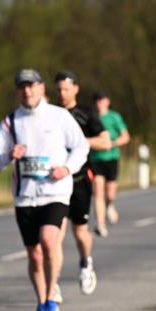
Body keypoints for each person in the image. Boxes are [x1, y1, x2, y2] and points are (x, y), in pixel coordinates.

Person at [0, 69, 89, 311]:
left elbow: (81, 146)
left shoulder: (59, 116)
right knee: (34, 255)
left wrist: (66, 168)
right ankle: (42, 302)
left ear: (42, 88)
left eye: (31, 86)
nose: (27, 91)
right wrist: (9, 155)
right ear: (17, 91)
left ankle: (52, 298)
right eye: (22, 87)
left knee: (48, 240)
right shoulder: (12, 121)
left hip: (55, 191)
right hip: (25, 196)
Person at [52, 71, 110, 297]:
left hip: (79, 181)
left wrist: (79, 143)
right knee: (55, 235)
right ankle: (53, 282)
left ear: (76, 89)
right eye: (59, 89)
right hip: (56, 183)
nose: (62, 93)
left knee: (80, 232)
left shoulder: (86, 113)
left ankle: (86, 262)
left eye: (66, 89)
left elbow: (105, 142)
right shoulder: (51, 113)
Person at [90, 91, 130, 237]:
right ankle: (100, 224)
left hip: (111, 158)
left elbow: (125, 137)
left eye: (102, 99)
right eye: (97, 100)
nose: (99, 103)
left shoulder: (114, 117)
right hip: (95, 158)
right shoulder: (92, 117)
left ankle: (110, 204)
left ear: (107, 101)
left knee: (110, 192)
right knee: (98, 189)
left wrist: (112, 144)